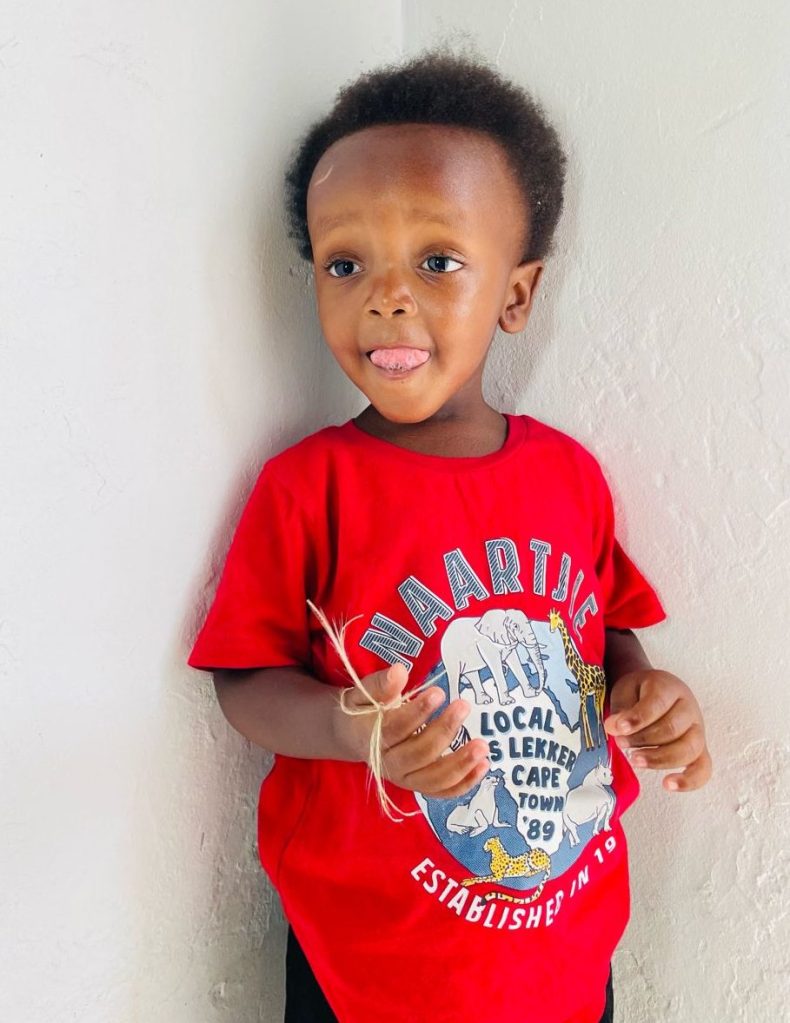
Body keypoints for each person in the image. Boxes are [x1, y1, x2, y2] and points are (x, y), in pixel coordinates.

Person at [188, 50, 712, 1023]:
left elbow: (601, 634)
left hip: (560, 944)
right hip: (370, 961)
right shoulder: (309, 486)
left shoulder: (568, 475)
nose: (387, 295)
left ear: (516, 296)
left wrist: (645, 689)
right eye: (346, 263)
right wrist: (350, 728)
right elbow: (245, 679)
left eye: (437, 262)